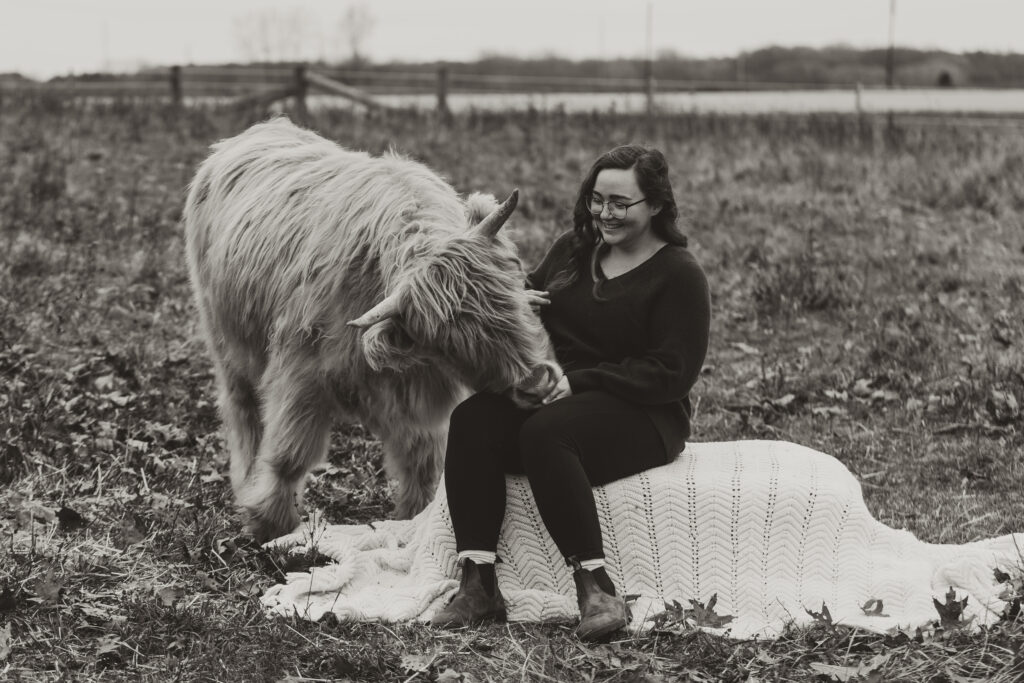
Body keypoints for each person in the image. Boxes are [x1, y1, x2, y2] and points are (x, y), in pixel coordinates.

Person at [431, 144, 711, 640]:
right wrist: (516, 299)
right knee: (473, 418)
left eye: (621, 203)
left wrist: (577, 382)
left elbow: (672, 372)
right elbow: (534, 294)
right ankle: (479, 585)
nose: (605, 213)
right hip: (562, 395)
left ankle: (596, 589)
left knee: (545, 433)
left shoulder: (679, 275)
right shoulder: (573, 250)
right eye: (597, 199)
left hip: (643, 412)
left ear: (658, 205)